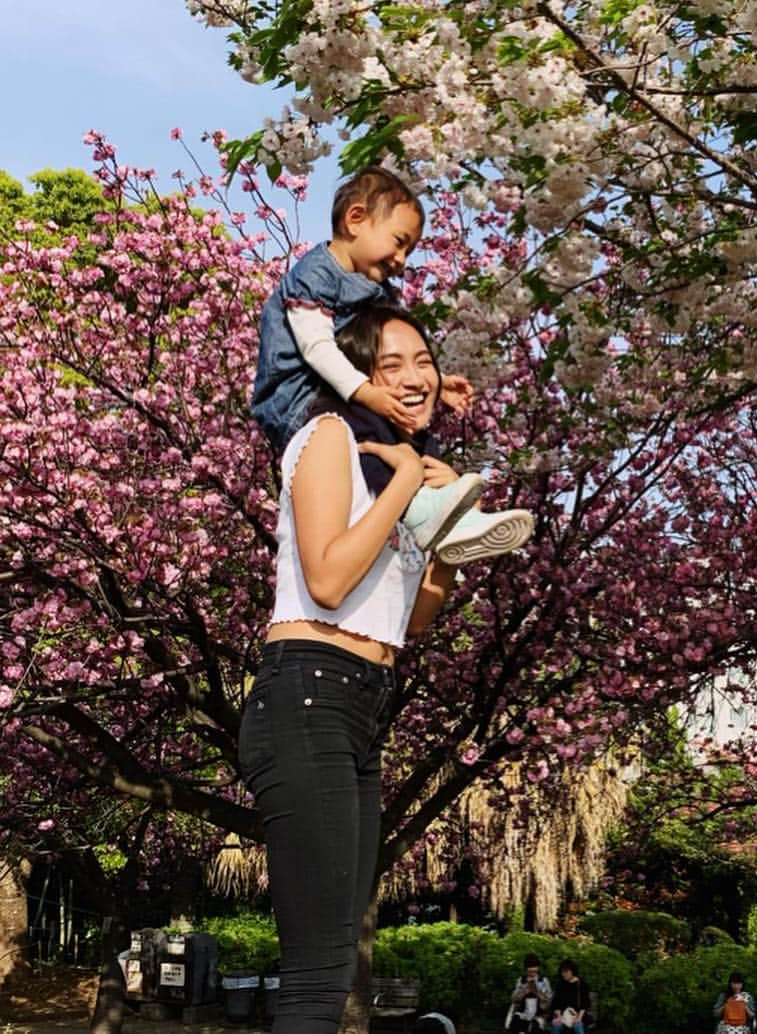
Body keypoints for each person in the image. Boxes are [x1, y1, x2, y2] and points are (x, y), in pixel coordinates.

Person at [240, 305, 481, 1034]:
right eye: (389, 365)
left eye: (423, 361)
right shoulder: (328, 438)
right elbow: (329, 582)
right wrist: (409, 482)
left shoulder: (395, 478)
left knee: (337, 961)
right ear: (359, 380)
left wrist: (442, 537)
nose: (413, 378)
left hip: (364, 703)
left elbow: (406, 624)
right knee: (316, 973)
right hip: (307, 688)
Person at [251, 166, 534, 563]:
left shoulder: (378, 288)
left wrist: (437, 378)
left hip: (338, 391)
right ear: (356, 220)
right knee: (371, 421)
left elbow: (399, 338)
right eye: (398, 242)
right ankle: (416, 510)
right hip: (297, 400)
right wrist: (369, 394)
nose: (402, 259)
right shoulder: (315, 275)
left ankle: (450, 518)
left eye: (409, 251)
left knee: (411, 425)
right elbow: (317, 348)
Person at [506, 954, 552, 1034]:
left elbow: (549, 1001)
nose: (532, 974)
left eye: (534, 971)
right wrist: (524, 991)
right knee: (515, 1024)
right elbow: (513, 999)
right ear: (526, 970)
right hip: (523, 1013)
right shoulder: (521, 980)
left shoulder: (543, 981)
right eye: (530, 972)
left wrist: (537, 992)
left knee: (536, 1028)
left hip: (538, 1014)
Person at [550, 958, 591, 1034]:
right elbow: (556, 1003)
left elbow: (585, 1004)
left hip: (577, 1016)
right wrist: (558, 1016)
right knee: (556, 1025)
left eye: (566, 972)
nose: (563, 974)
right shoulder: (560, 984)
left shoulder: (582, 984)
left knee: (578, 1027)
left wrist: (578, 1018)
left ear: (572, 971)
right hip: (563, 1016)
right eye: (562, 972)